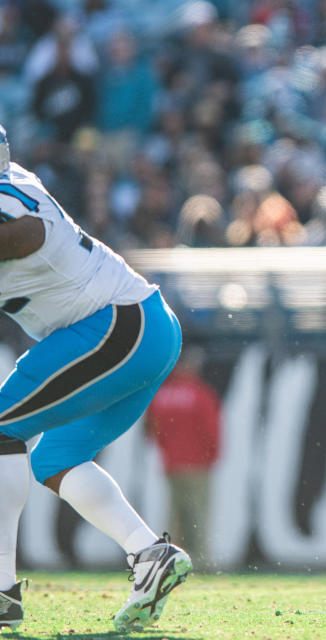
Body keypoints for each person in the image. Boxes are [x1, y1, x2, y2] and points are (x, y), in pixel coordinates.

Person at [0, 124, 191, 631]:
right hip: (143, 325)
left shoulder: (12, 206)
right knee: (56, 458)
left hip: (116, 326)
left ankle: (0, 592)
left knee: (1, 431)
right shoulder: (13, 179)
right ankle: (150, 554)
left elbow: (24, 233)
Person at [146, 344, 221, 569]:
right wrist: (212, 455)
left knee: (175, 514)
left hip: (171, 463)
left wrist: (168, 451)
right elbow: (211, 430)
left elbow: (153, 431)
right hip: (198, 463)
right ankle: (201, 560)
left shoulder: (163, 394)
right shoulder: (200, 393)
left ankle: (171, 561)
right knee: (198, 513)